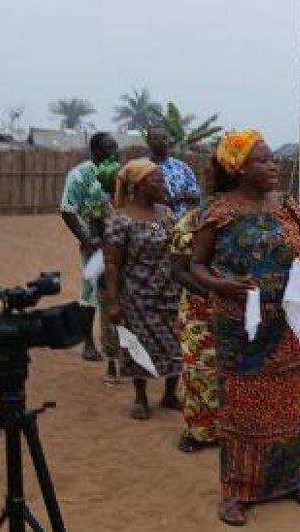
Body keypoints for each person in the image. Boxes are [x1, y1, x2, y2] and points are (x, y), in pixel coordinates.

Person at [191, 130, 300, 526]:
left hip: (285, 322)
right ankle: (237, 490)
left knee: (287, 405)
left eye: (272, 159)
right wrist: (220, 285)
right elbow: (197, 265)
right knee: (242, 410)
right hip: (241, 326)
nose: (273, 165)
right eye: (263, 160)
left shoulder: (287, 207)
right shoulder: (218, 212)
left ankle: (289, 480)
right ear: (239, 168)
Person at [103, 158, 183, 420]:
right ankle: (141, 397)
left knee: (175, 346)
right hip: (137, 297)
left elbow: (178, 250)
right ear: (140, 184)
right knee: (139, 346)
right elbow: (112, 264)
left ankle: (170, 393)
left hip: (170, 292)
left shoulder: (167, 214)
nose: (163, 184)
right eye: (157, 180)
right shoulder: (121, 220)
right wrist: (113, 301)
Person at [60, 132, 120, 362]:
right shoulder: (80, 175)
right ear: (94, 150)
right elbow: (67, 209)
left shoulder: (118, 172)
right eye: (108, 148)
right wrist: (87, 240)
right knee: (92, 291)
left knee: (119, 291)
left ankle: (119, 346)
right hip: (94, 243)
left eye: (115, 148)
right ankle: (88, 343)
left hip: (119, 242)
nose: (113, 153)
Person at [171, 202, 219, 452]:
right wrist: (214, 294)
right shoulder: (189, 223)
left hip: (242, 311)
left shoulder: (247, 222)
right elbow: (178, 271)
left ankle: (230, 430)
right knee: (198, 372)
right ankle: (197, 431)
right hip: (198, 312)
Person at [146, 125, 201, 219]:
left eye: (164, 138)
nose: (161, 141)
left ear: (169, 140)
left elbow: (197, 197)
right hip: (153, 224)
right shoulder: (142, 168)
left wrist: (183, 195)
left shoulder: (182, 167)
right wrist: (169, 201)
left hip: (181, 226)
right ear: (148, 142)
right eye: (155, 138)